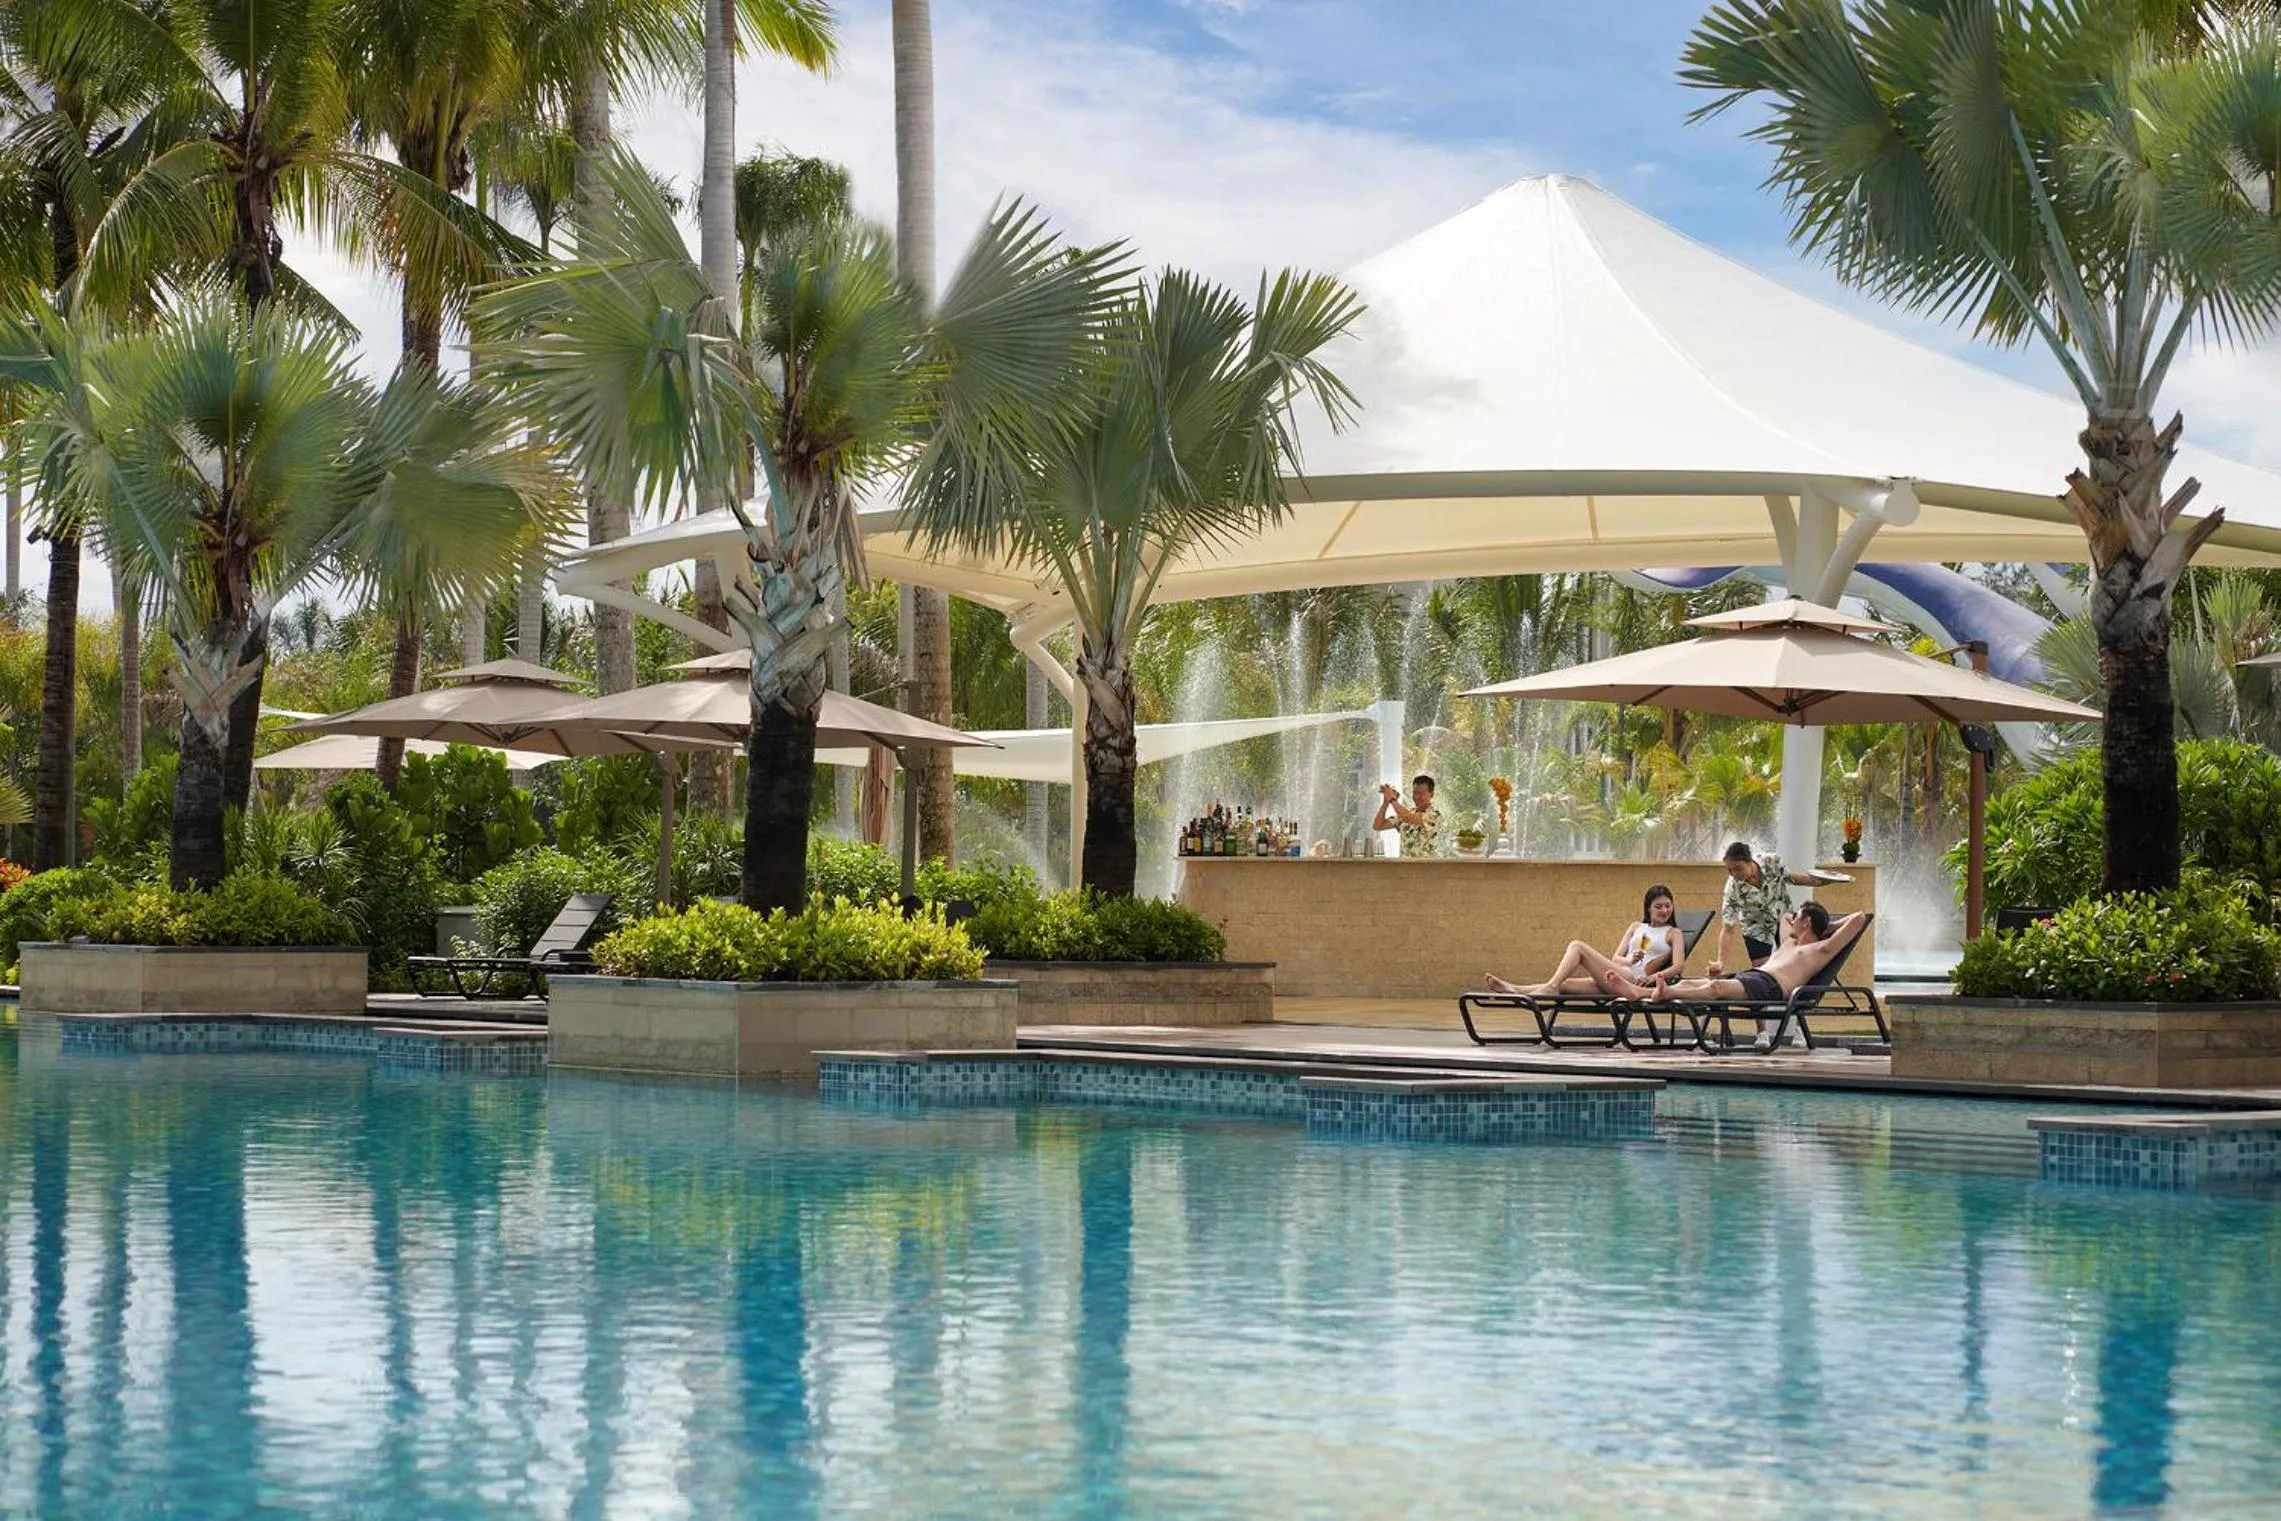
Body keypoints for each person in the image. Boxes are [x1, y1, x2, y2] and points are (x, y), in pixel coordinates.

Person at [1485, 883, 1686, 997]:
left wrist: (1653, 977)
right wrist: (1630, 959)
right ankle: (1513, 989)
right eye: (1659, 906)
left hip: (1634, 982)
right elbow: (1615, 958)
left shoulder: (1673, 933)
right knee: (1565, 983)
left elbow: (1678, 966)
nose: (1664, 910)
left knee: (1577, 946)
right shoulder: (1636, 927)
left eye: (1668, 906)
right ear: (1648, 908)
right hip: (1619, 974)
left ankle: (1549, 988)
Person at [1708, 840, 1821, 977]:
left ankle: (1795, 995)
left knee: (1792, 962)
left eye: (1738, 868)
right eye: (1729, 870)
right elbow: (1728, 929)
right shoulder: (1732, 889)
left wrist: (1818, 882)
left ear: (1750, 861)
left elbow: (1791, 878)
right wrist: (1720, 961)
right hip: (1756, 927)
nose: (1734, 874)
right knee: (1763, 973)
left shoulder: (1771, 862)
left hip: (1782, 917)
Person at [1371, 774, 1443, 857]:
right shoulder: (1407, 813)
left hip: (1424, 868)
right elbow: (1378, 826)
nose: (1416, 797)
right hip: (1403, 867)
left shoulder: (1434, 815)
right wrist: (1386, 802)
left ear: (1431, 794)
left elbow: (1407, 817)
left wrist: (1392, 799)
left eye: (1420, 793)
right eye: (1414, 793)